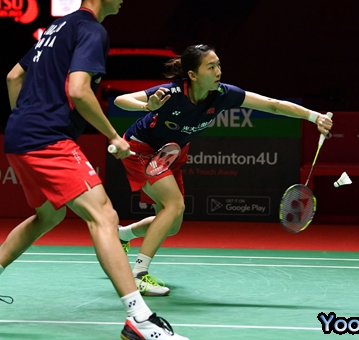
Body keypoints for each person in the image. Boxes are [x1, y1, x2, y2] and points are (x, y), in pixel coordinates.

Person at [0, 0, 189, 340]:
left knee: (48, 216)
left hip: (18, 136)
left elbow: (14, 77)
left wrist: (25, 120)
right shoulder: (92, 31)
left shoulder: (55, 27)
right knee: (105, 217)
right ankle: (139, 318)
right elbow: (79, 91)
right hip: (48, 137)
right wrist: (113, 137)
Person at [112, 44, 333, 296]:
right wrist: (147, 107)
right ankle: (138, 275)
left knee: (171, 226)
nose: (218, 71)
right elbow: (121, 100)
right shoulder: (172, 93)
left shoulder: (223, 94)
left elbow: (272, 105)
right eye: (211, 67)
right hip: (140, 149)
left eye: (218, 65)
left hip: (171, 154)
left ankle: (122, 235)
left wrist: (314, 117)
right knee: (175, 205)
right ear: (193, 75)